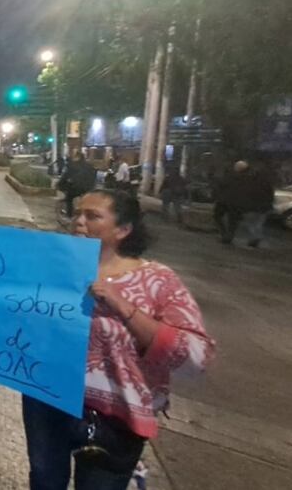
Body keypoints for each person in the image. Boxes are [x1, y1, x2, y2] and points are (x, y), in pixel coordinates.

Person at [23, 189, 214, 490]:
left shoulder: (158, 280)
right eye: (77, 213)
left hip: (115, 418)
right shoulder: (54, 269)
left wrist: (121, 305)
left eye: (92, 216)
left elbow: (195, 357)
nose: (78, 222)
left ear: (123, 230)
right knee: (45, 480)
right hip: (46, 400)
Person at [215, 160, 274, 247]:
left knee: (249, 222)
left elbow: (224, 186)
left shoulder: (234, 176)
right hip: (250, 205)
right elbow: (268, 194)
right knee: (253, 223)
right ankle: (253, 237)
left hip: (231, 202)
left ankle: (231, 236)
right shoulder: (254, 180)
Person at [59, 153, 97, 218]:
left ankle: (69, 216)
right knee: (86, 199)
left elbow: (66, 176)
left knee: (69, 199)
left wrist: (60, 184)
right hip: (89, 188)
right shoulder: (89, 166)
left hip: (76, 188)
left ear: (77, 157)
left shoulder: (73, 165)